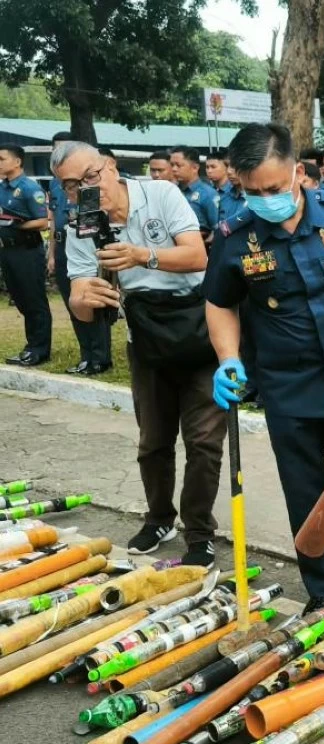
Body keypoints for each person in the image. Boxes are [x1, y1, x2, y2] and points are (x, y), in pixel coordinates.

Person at [204, 123, 324, 617]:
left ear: (297, 172)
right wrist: (228, 357)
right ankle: (321, 588)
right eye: (252, 192)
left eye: (273, 188)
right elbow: (219, 304)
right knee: (304, 489)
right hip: (287, 385)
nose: (265, 199)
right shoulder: (235, 234)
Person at [54, 140, 223, 566]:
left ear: (110, 166)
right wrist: (83, 297)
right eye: (71, 187)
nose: (85, 191)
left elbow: (197, 255)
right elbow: (80, 301)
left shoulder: (161, 193)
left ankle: (199, 532)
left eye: (91, 177)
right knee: (153, 441)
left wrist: (142, 255)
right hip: (145, 337)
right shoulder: (81, 224)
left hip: (198, 328)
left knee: (203, 441)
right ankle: (159, 517)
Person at [47, 132, 112, 376]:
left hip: (90, 242)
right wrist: (52, 254)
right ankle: (86, 354)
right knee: (74, 301)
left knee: (95, 298)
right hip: (67, 243)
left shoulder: (92, 182)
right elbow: (54, 220)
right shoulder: (57, 185)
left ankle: (100, 356)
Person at [0, 144, 52, 368]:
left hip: (27, 251)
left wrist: (16, 225)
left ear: (17, 161)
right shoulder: (2, 187)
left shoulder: (30, 188)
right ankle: (32, 345)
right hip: (7, 250)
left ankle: (39, 349)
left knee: (34, 300)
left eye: (1, 159)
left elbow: (42, 222)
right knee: (20, 299)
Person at [171, 147, 219, 242]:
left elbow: (218, 228)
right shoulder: (172, 191)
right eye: (172, 165)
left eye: (178, 165)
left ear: (195, 168)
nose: (174, 169)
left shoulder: (208, 194)